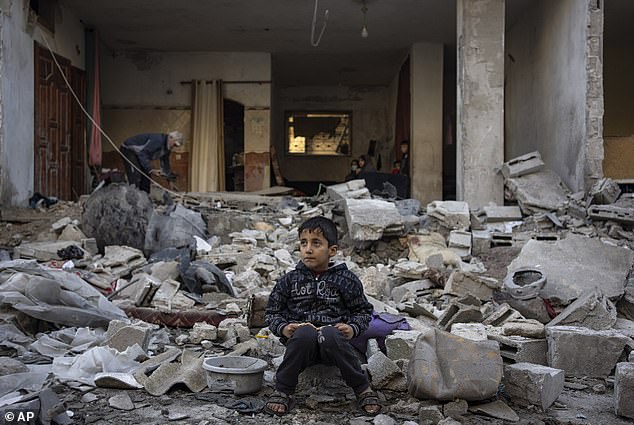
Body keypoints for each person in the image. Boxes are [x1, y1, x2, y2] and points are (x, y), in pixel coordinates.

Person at [264, 217, 381, 416]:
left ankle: (362, 388)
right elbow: (272, 312)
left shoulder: (346, 280)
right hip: (301, 346)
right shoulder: (289, 280)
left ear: (332, 250)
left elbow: (362, 312)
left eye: (316, 243)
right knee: (304, 333)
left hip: (333, 345)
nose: (308, 249)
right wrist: (284, 328)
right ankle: (283, 389)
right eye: (303, 243)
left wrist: (352, 328)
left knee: (330, 334)